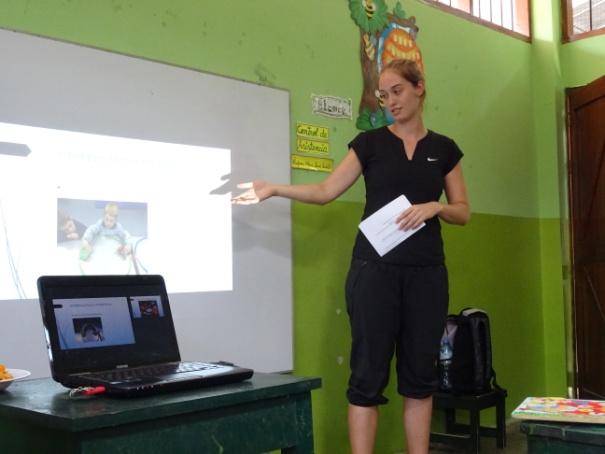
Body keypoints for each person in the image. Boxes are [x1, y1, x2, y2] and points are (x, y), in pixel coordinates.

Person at [232, 58, 469, 454]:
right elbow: (326, 191)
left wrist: (435, 207)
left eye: (397, 91)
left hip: (427, 276)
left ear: (419, 87)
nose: (390, 101)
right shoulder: (370, 144)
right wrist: (274, 188)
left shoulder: (444, 150)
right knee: (367, 377)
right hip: (373, 274)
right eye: (384, 95)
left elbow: (463, 210)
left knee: (419, 379)